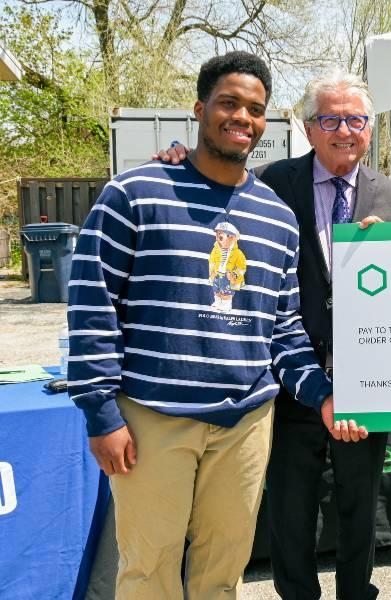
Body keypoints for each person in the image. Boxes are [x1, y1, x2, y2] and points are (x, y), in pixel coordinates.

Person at [68, 51, 341, 598]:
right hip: (153, 420)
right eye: (229, 103)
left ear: (266, 124)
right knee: (149, 572)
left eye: (255, 109)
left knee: (223, 574)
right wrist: (100, 411)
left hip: (245, 423)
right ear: (199, 109)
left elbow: (283, 330)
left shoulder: (276, 218)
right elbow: (92, 303)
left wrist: (322, 395)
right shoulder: (134, 193)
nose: (242, 117)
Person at [158, 72, 391, 600]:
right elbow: (216, 188)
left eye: (356, 119)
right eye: (330, 119)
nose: (345, 130)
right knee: (291, 508)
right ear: (307, 126)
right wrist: (179, 160)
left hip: (368, 384)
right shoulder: (272, 183)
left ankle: (355, 591)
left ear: (370, 127)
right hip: (290, 376)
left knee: (358, 504)